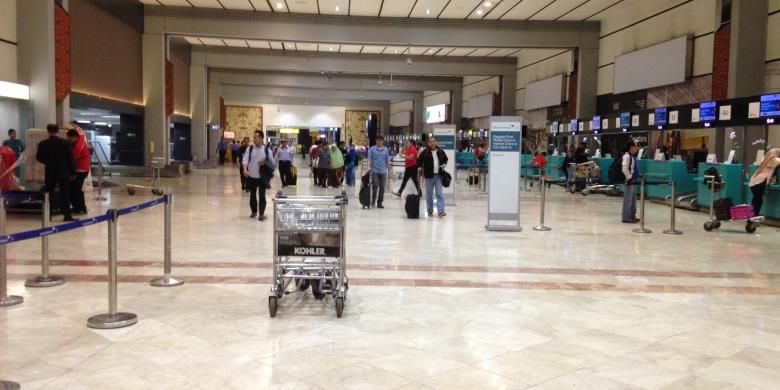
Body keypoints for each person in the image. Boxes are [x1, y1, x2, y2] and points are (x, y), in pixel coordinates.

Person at [36, 124, 76, 221]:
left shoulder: (43, 144)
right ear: (58, 131)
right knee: (65, 194)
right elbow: (70, 159)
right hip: (63, 172)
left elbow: (38, 157)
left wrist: (48, 162)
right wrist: (73, 172)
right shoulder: (65, 143)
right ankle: (67, 216)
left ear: (48, 131)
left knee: (49, 194)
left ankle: (48, 215)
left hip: (50, 172)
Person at [242, 131, 275, 220]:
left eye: (255, 137)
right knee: (252, 195)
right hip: (251, 176)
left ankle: (261, 213)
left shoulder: (267, 150)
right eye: (254, 137)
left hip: (262, 177)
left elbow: (272, 164)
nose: (254, 139)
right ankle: (254, 211)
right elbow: (245, 160)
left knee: (262, 195)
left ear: (261, 138)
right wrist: (245, 169)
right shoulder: (250, 149)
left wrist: (264, 163)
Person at [417, 137, 448, 217]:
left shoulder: (440, 151)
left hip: (438, 176)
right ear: (428, 143)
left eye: (433, 141)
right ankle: (430, 210)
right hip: (428, 176)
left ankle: (441, 211)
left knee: (439, 193)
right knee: (429, 195)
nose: (432, 143)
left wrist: (444, 164)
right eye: (430, 142)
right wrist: (419, 167)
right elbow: (419, 161)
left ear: (436, 142)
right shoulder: (425, 152)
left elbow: (445, 159)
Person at [749, 148, 780, 216]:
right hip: (760, 182)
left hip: (753, 181)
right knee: (758, 201)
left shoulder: (764, 159)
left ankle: (751, 216)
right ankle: (753, 218)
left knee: (755, 200)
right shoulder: (775, 160)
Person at [66, 129, 90, 215]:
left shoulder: (78, 146)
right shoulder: (80, 140)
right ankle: (79, 208)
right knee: (76, 189)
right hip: (82, 169)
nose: (69, 141)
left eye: (70, 139)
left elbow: (73, 159)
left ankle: (80, 208)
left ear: (74, 137)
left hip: (81, 170)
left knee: (76, 190)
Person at [367, 136, 390, 208]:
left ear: (383, 141)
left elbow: (387, 161)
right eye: (378, 140)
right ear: (376, 141)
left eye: (380, 141)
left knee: (382, 187)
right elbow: (369, 159)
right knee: (375, 185)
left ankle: (380, 202)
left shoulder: (386, 150)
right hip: (375, 171)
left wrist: (390, 171)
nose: (379, 142)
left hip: (383, 171)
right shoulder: (372, 149)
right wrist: (368, 167)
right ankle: (373, 200)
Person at [621, 141, 640, 224]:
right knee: (628, 200)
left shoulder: (632, 156)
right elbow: (624, 168)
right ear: (631, 147)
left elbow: (633, 168)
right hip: (630, 181)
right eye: (635, 146)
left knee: (633, 200)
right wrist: (629, 178)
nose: (637, 148)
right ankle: (626, 217)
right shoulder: (627, 156)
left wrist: (639, 174)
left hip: (634, 180)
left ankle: (632, 216)